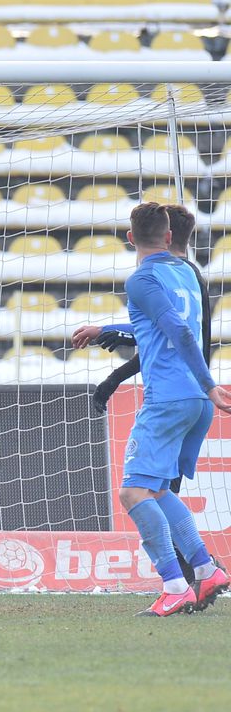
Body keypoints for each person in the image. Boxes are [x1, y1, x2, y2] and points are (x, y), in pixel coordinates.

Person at [71, 202, 230, 616]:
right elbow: (164, 325)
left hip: (171, 398)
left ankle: (175, 585)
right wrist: (106, 329)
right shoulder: (187, 274)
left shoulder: (141, 279)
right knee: (156, 490)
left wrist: (211, 385)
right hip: (194, 401)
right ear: (168, 238)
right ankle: (205, 569)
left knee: (131, 491)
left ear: (130, 238)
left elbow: (175, 329)